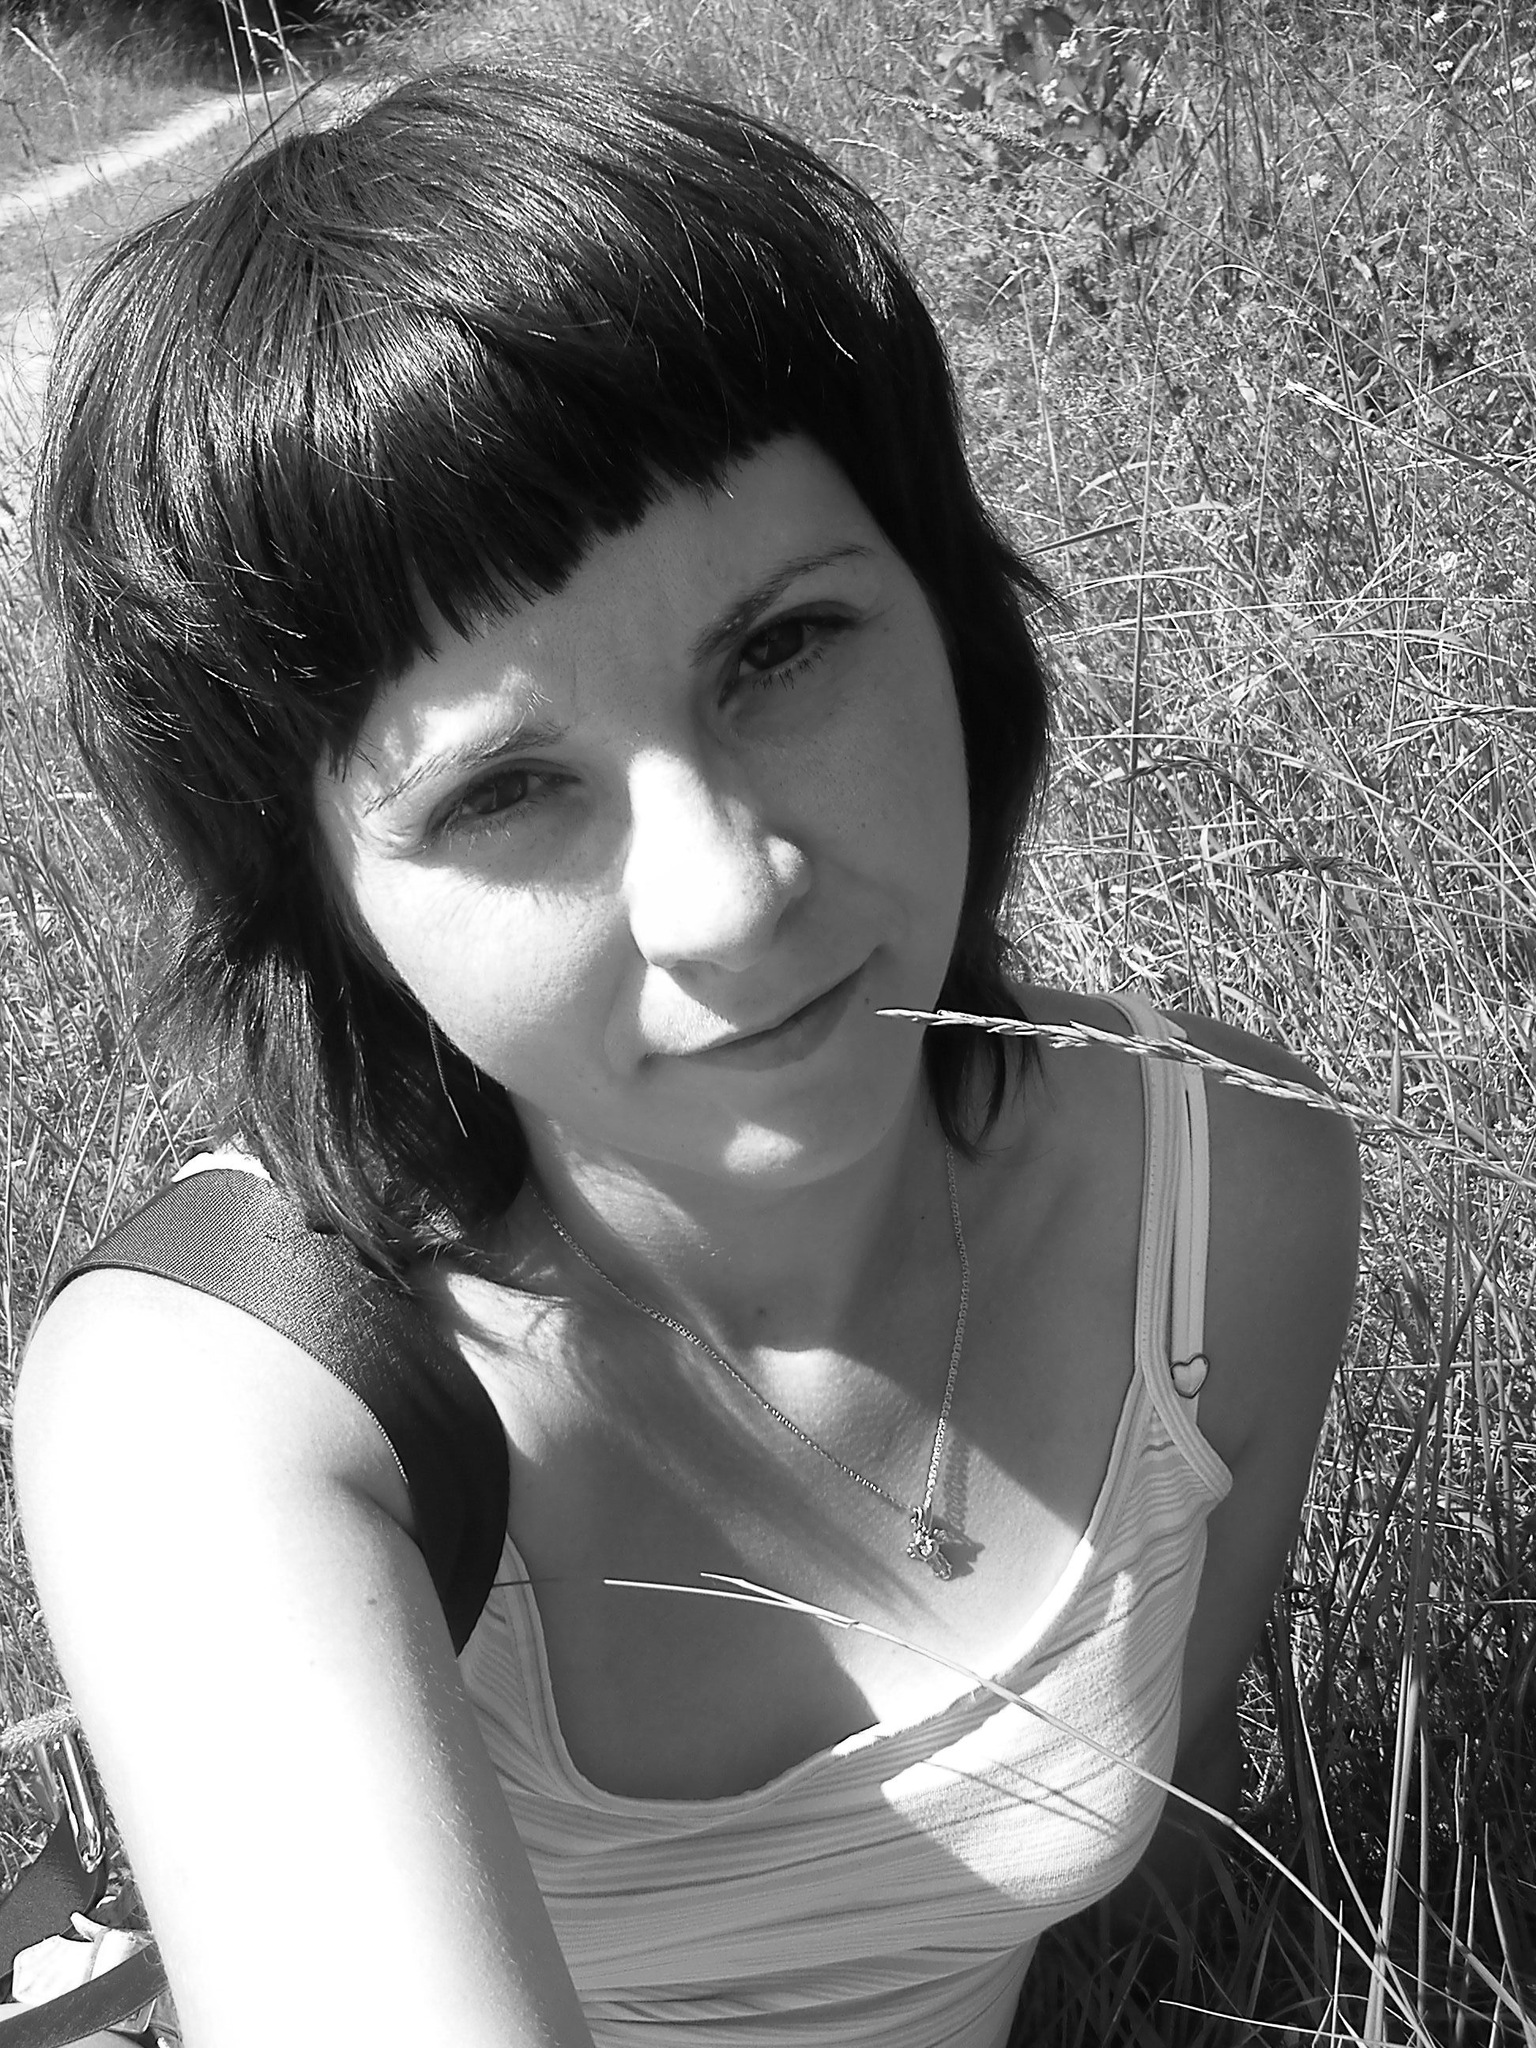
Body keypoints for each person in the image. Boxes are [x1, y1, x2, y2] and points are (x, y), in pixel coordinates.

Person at [13, 60, 1360, 2048]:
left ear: (948, 609)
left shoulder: (1228, 1184)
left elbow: (1188, 1844)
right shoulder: (216, 1402)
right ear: (326, 904)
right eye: (502, 791)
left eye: (781, 648)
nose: (731, 893)